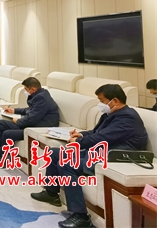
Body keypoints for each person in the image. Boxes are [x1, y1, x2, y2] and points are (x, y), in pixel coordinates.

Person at [31, 84, 148, 228]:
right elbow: (97, 132)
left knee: (67, 164)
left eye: (102, 101)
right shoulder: (111, 114)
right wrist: (80, 135)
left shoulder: (127, 118)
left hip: (114, 157)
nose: (100, 104)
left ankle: (81, 217)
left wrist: (78, 142)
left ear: (115, 101)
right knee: (55, 153)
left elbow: (102, 138)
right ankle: (51, 193)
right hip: (100, 151)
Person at [0, 77, 59, 167]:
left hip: (39, 127)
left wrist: (18, 121)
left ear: (33, 89)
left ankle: (6, 159)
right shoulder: (39, 95)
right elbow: (30, 110)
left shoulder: (42, 98)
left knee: (8, 133)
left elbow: (32, 119)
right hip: (33, 123)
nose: (25, 91)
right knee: (1, 124)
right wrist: (14, 111)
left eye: (26, 89)